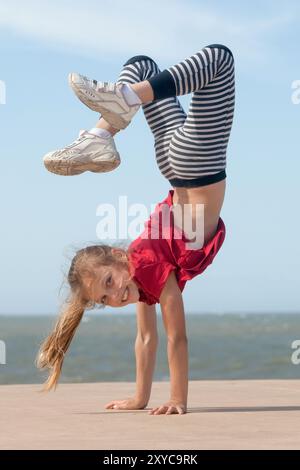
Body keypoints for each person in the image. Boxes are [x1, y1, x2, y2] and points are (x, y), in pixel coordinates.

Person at [37, 44, 235, 415]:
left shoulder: (150, 272)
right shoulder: (141, 278)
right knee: (140, 65)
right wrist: (140, 399)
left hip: (197, 164)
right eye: (105, 299)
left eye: (109, 283)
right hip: (173, 163)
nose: (115, 298)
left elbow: (177, 338)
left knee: (221, 59)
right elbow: (146, 339)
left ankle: (115, 113)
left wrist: (177, 399)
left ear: (118, 256)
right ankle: (102, 131)